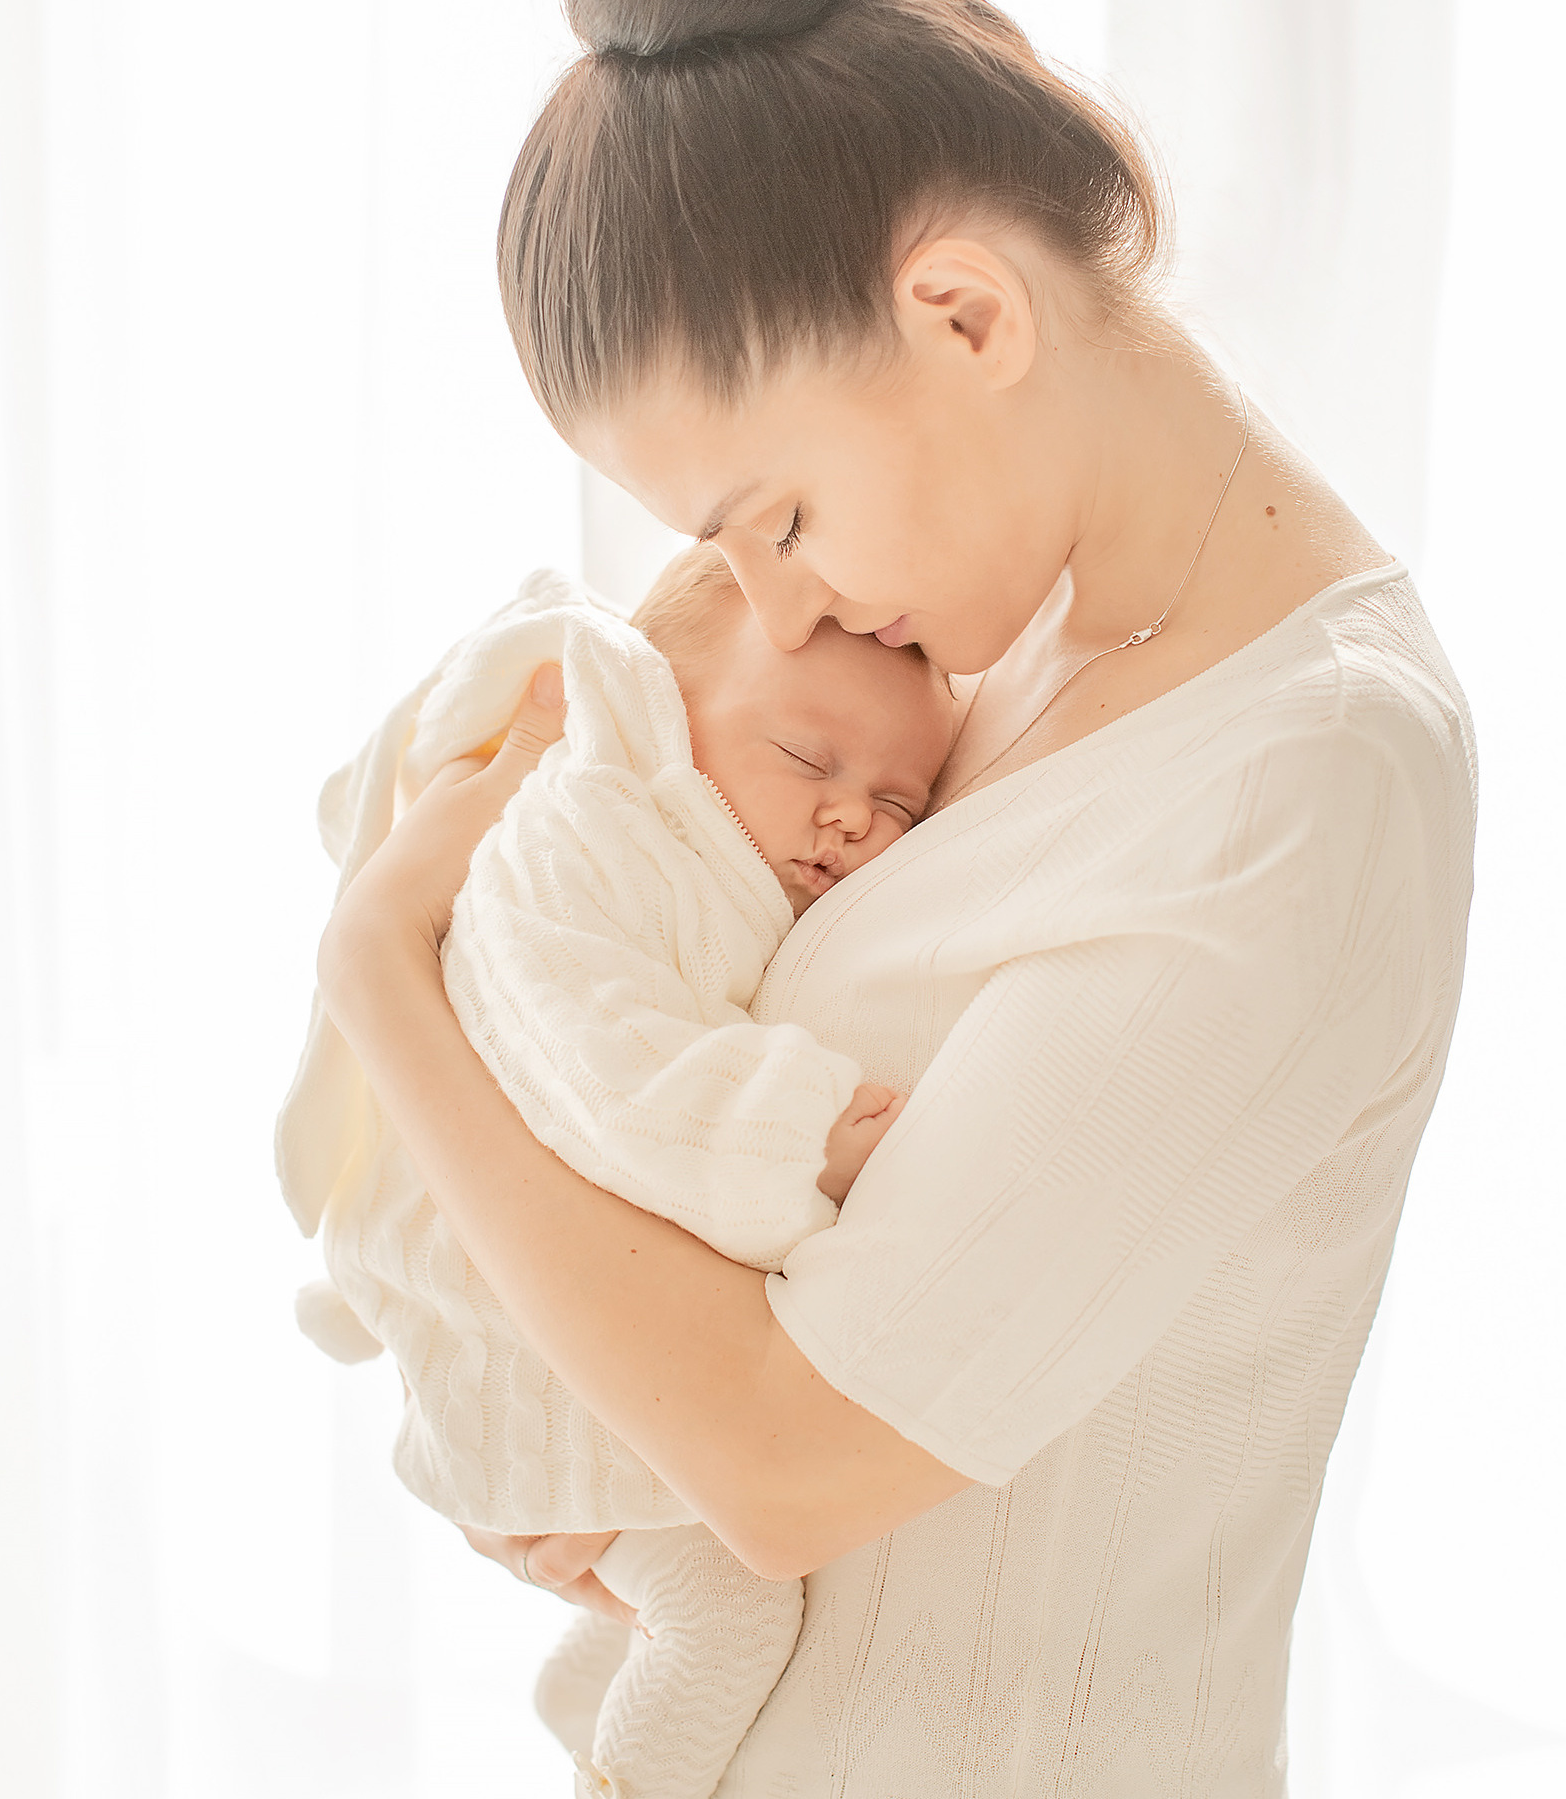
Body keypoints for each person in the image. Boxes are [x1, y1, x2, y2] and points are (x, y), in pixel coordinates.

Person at [310, 1, 1476, 1791]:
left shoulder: (1294, 780)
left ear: (966, 315)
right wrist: (522, 1396)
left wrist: (382, 973)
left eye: (780, 519)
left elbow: (783, 1462)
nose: (779, 610)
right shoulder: (988, 648)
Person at [281, 550, 953, 1798]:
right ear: (658, 702)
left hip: (560, 1297)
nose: (854, 815)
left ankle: (584, 1681)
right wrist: (791, 1128)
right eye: (807, 759)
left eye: (902, 803)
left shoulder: (709, 860)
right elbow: (601, 1061)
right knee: (733, 1611)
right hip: (507, 1312)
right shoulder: (588, 833)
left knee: (675, 1577)